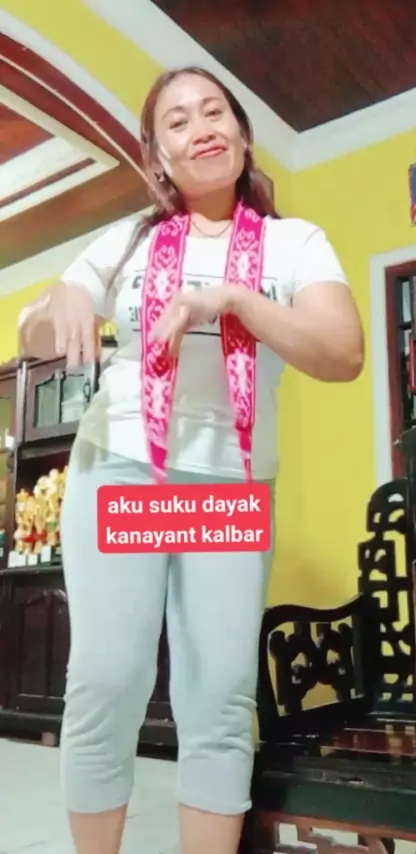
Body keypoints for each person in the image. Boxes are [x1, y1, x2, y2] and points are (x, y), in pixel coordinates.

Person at [17, 66, 364, 854]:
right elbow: (39, 331)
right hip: (124, 466)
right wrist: (55, 303)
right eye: (178, 121)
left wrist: (236, 300)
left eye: (214, 112)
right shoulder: (128, 239)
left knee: (218, 696)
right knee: (109, 680)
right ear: (158, 157)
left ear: (241, 133)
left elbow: (342, 352)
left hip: (229, 483)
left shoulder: (292, 243)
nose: (201, 127)